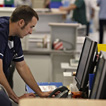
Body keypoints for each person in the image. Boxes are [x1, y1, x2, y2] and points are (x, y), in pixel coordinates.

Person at [0, 5, 52, 104]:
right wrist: (15, 98)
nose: (31, 32)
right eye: (31, 27)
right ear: (21, 22)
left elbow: (22, 66)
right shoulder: (1, 31)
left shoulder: (14, 35)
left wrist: (40, 93)